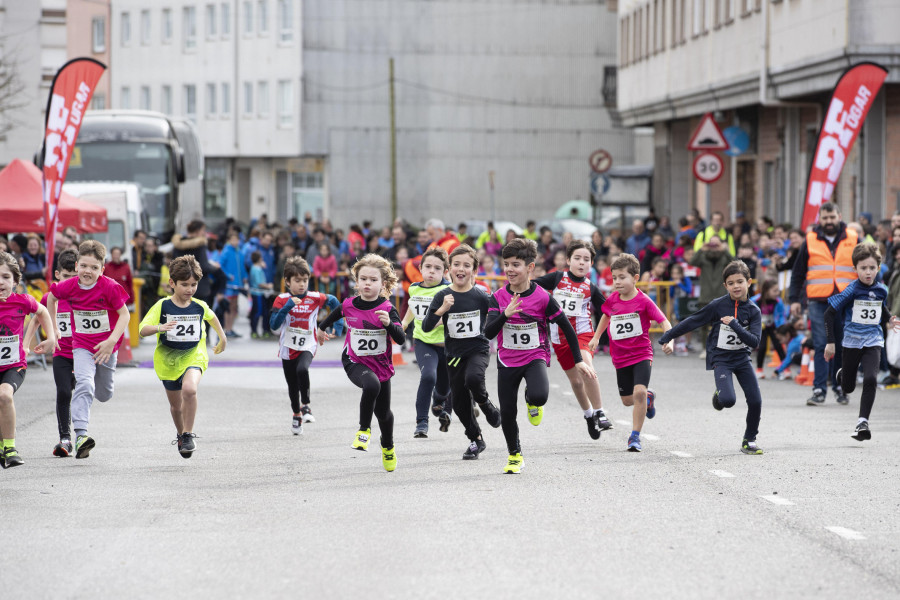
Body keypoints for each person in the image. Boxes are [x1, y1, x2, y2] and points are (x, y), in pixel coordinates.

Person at [484, 239, 598, 474]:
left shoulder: (542, 297)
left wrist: (578, 360)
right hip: (507, 360)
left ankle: (530, 399)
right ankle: (515, 455)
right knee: (507, 411)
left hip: (534, 356)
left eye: (515, 264)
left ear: (530, 267)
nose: (509, 270)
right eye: (506, 264)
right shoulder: (498, 297)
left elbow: (567, 328)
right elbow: (488, 333)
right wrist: (505, 314)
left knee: (539, 396)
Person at [658, 261, 764, 454]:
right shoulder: (718, 305)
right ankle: (720, 394)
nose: (736, 286)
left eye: (740, 281)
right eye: (731, 283)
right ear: (725, 286)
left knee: (756, 400)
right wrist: (668, 335)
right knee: (728, 400)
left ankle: (749, 439)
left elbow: (754, 342)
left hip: (742, 358)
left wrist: (735, 325)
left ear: (749, 282)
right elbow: (693, 320)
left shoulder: (754, 311)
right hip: (721, 359)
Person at [316, 254, 405, 472]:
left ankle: (388, 446)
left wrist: (389, 325)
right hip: (354, 360)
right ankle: (363, 431)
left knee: (384, 413)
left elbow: (401, 338)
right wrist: (321, 328)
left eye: (373, 280)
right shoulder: (349, 305)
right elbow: (332, 315)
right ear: (357, 282)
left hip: (381, 365)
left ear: (383, 284)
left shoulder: (387, 308)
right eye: (363, 279)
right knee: (371, 385)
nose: (367, 283)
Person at [47, 240, 130, 459]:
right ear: (76, 266)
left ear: (102, 270)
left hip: (106, 348)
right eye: (84, 266)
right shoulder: (69, 285)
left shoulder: (110, 287)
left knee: (103, 394)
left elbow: (125, 315)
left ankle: (93, 395)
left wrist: (111, 341)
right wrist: (54, 328)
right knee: (84, 383)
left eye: (94, 268)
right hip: (82, 345)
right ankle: (81, 435)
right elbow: (51, 298)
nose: (88, 271)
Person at [139, 255, 227, 458]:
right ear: (172, 283)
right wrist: (160, 327)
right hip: (167, 361)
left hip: (194, 355)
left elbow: (212, 317)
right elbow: (142, 329)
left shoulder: (199, 306)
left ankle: (188, 433)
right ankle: (181, 435)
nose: (190, 289)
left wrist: (222, 338)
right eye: (185, 285)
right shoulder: (162, 306)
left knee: (189, 389)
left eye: (194, 285)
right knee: (176, 406)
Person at [422, 244, 502, 460]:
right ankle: (476, 439)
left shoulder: (481, 297)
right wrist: (441, 310)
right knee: (458, 403)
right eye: (456, 264)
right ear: (449, 269)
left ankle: (486, 404)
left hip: (478, 349)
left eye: (467, 265)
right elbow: (427, 327)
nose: (461, 268)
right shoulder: (442, 296)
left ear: (474, 271)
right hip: (454, 354)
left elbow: (496, 318)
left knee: (474, 378)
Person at [588, 254, 673, 452]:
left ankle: (635, 437)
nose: (617, 282)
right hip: (620, 357)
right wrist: (595, 337)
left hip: (642, 354)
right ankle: (648, 399)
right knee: (628, 401)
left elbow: (664, 322)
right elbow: (605, 317)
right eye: (614, 277)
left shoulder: (644, 301)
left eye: (622, 277)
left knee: (639, 392)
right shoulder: (612, 300)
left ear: (635, 278)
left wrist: (669, 339)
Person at [533, 240, 612, 439]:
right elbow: (532, 287)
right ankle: (589, 415)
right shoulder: (557, 278)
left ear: (591, 264)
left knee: (586, 366)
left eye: (586, 259)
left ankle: (600, 412)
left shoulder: (591, 287)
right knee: (576, 382)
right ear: (568, 260)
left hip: (583, 334)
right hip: (559, 337)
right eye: (577, 258)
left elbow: (607, 311)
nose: (581, 262)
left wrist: (597, 337)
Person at [824, 244, 900, 442]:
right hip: (851, 341)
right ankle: (843, 375)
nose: (868, 272)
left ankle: (862, 421)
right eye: (863, 268)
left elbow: (881, 307)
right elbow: (829, 313)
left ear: (878, 268)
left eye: (872, 268)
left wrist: (890, 319)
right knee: (848, 387)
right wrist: (830, 342)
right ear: (855, 269)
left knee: (871, 379)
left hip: (873, 340)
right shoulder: (852, 290)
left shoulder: (881, 289)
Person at [789, 202, 858, 406]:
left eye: (832, 217)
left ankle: (840, 388)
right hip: (820, 301)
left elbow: (867, 265)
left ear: (840, 215)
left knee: (843, 344)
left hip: (846, 300)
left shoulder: (853, 237)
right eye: (825, 218)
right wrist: (794, 299)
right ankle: (819, 389)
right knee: (821, 344)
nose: (828, 222)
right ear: (819, 219)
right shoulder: (810, 240)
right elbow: (798, 272)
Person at [270, 257, 343, 433]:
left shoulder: (314, 297)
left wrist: (336, 326)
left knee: (302, 370)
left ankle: (306, 406)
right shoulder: (281, 299)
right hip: (288, 348)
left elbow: (334, 302)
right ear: (287, 282)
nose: (302, 285)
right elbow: (273, 325)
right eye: (297, 281)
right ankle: (296, 414)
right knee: (292, 385)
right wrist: (287, 306)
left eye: (305, 280)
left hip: (308, 344)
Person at [0, 251, 56, 468]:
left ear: (15, 281)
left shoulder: (22, 301)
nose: (1, 282)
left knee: (4, 395)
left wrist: (50, 337)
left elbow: (42, 312)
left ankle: (10, 447)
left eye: (6, 277)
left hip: (14, 364)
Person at [26, 249, 79, 457]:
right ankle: (65, 438)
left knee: (81, 391)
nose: (69, 282)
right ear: (57, 275)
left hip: (83, 352)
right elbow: (35, 319)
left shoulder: (84, 296)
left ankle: (81, 433)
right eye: (65, 277)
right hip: (61, 353)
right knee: (64, 392)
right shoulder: (50, 297)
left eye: (73, 277)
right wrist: (26, 345)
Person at [401, 247, 451, 437]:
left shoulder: (448, 290)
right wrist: (404, 323)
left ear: (445, 272)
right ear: (420, 268)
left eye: (437, 268)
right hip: (424, 341)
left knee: (444, 389)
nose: (431, 271)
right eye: (428, 266)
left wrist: (440, 319)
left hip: (446, 345)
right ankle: (421, 423)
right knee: (428, 376)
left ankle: (439, 400)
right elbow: (412, 309)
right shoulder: (414, 288)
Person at [751, 279, 787, 378]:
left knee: (778, 346)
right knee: (761, 347)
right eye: (775, 291)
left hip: (774, 327)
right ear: (766, 291)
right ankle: (759, 370)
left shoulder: (778, 302)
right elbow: (749, 313)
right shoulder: (755, 301)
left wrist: (781, 328)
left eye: (778, 290)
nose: (778, 293)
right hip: (761, 327)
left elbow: (781, 316)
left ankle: (785, 369)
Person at [219, 231, 246, 338]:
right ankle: (226, 329)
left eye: (237, 240)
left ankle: (231, 328)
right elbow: (220, 266)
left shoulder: (240, 252)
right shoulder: (226, 251)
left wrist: (245, 277)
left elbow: (242, 267)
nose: (235, 242)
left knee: (234, 307)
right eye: (233, 240)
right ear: (229, 240)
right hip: (229, 284)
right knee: (228, 307)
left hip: (238, 284)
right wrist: (228, 275)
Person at [249, 251, 273, 339]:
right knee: (258, 312)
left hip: (259, 293)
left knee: (261, 312)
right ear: (259, 259)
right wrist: (268, 286)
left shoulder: (254, 268)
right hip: (258, 293)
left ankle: (256, 330)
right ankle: (255, 330)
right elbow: (260, 283)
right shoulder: (257, 269)